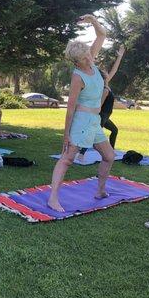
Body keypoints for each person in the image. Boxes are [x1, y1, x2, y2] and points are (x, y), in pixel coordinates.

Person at [47, 15, 115, 212]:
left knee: (109, 156)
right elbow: (70, 108)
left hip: (94, 120)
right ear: (76, 62)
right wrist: (66, 134)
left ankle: (100, 190)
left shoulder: (91, 62)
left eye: (88, 53)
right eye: (84, 57)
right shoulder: (78, 76)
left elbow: (102, 35)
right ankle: (53, 198)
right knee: (67, 158)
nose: (89, 57)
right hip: (82, 121)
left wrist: (93, 19)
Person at [78, 45, 125, 160]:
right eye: (105, 72)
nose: (108, 73)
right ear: (103, 77)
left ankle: (111, 151)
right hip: (101, 115)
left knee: (114, 130)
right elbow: (99, 104)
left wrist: (119, 57)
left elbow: (114, 70)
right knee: (92, 134)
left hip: (105, 115)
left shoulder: (106, 84)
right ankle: (81, 153)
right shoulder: (104, 88)